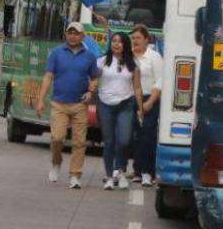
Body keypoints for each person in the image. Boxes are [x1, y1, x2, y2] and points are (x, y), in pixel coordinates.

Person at [35, 21, 101, 190]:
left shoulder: (89, 56)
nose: (72, 35)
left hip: (80, 104)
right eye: (70, 32)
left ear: (82, 36)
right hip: (59, 103)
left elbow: (94, 78)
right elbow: (48, 76)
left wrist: (91, 91)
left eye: (76, 33)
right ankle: (56, 163)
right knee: (57, 137)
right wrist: (41, 100)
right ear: (66, 34)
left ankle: (75, 175)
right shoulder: (56, 53)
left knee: (79, 142)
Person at [96, 31, 143, 190]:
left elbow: (137, 87)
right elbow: (93, 80)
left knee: (124, 140)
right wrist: (91, 87)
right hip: (105, 104)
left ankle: (121, 172)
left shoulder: (133, 64)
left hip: (126, 104)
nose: (116, 44)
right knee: (109, 142)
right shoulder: (102, 61)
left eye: (120, 42)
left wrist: (140, 109)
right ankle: (109, 176)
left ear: (125, 45)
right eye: (114, 41)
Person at [130, 24, 164, 186]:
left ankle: (148, 171)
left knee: (147, 136)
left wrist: (150, 102)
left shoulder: (154, 56)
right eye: (133, 38)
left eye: (138, 38)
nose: (135, 41)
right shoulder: (128, 56)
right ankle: (137, 171)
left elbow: (160, 80)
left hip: (149, 98)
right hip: (130, 99)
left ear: (146, 39)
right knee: (134, 136)